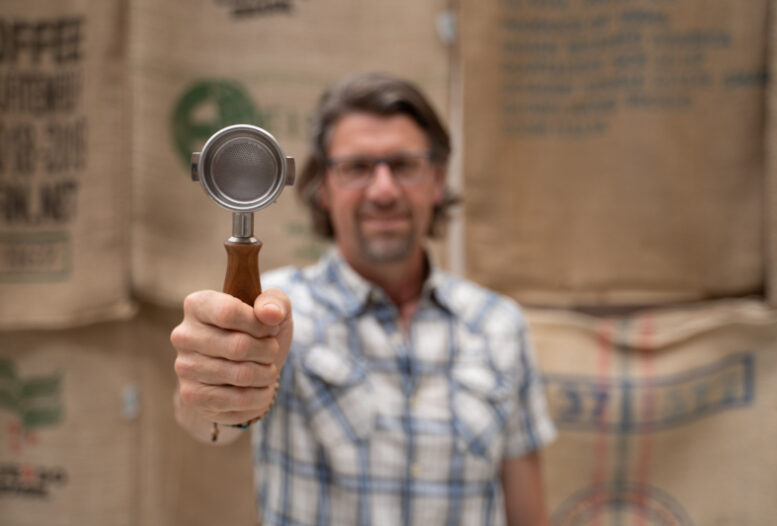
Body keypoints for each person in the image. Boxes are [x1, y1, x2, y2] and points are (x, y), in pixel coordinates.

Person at [170, 72, 556, 526]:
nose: (384, 190)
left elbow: (527, 510)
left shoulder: (499, 324)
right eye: (357, 168)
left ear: (437, 180)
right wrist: (213, 395)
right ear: (322, 188)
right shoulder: (271, 312)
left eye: (405, 165)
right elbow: (212, 424)